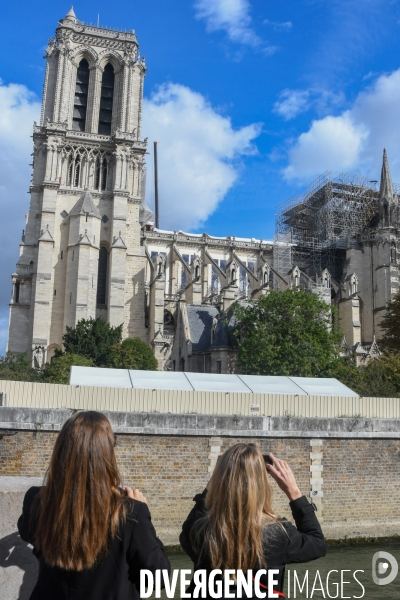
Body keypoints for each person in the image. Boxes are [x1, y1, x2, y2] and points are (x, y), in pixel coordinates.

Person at [18, 411, 170, 600]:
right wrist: (144, 515)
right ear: (107, 454)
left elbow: (27, 532)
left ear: (61, 450)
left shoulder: (37, 500)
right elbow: (159, 578)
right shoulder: (131, 513)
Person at [180, 443, 326, 598]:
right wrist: (294, 493)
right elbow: (317, 543)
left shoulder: (198, 531)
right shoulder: (278, 533)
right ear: (261, 483)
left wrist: (215, 481)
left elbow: (194, 519)